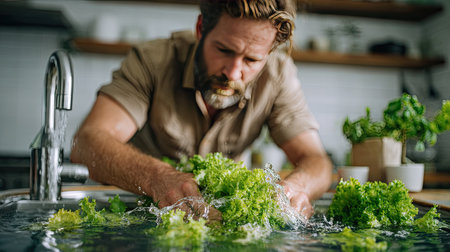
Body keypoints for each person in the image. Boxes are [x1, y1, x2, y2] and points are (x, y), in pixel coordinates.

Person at [70, 0, 332, 219]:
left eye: (251, 60)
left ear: (270, 52)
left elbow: (317, 162)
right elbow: (87, 144)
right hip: (138, 216)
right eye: (223, 50)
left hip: (221, 225)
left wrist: (297, 188)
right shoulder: (153, 61)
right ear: (200, 29)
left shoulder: (278, 75)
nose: (232, 72)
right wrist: (157, 177)